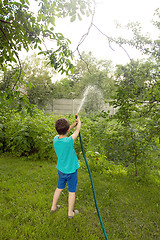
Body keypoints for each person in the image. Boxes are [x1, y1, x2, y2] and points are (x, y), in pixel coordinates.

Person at [51, 116, 81, 218]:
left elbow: (66, 133)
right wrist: (79, 123)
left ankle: (53, 207)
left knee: (59, 188)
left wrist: (73, 125)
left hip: (61, 170)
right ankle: (70, 213)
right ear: (68, 130)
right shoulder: (69, 141)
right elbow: (77, 131)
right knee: (71, 191)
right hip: (72, 171)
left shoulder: (55, 139)